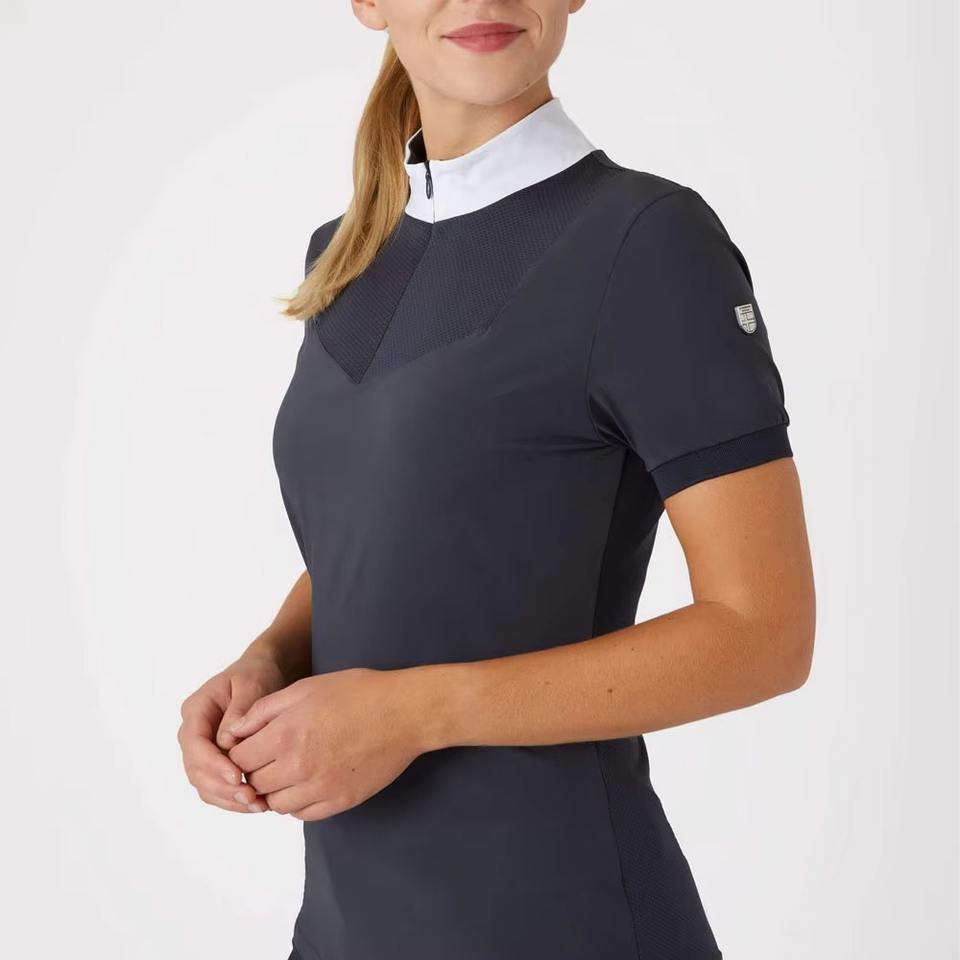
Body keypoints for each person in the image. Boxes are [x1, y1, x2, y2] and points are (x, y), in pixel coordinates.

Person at [177, 3, 816, 959]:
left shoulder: (647, 242)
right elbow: (405, 536)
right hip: (351, 928)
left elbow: (765, 633)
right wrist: (272, 656)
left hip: (568, 921)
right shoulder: (344, 255)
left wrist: (415, 713)